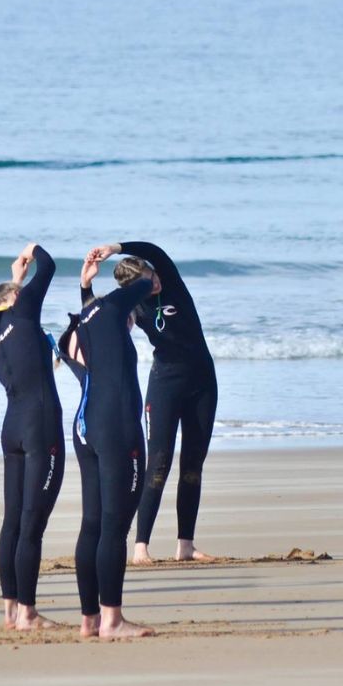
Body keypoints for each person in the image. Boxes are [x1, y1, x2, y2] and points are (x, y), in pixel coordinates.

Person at [85, 241, 218, 564]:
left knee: (193, 465)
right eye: (146, 282)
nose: (154, 282)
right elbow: (98, 317)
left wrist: (116, 247)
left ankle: (185, 545)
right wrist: (86, 286)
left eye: (152, 275)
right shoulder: (134, 306)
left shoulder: (170, 281)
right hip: (164, 385)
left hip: (202, 381)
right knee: (158, 464)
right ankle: (140, 546)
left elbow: (154, 252)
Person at [66, 252, 156, 638]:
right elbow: (148, 282)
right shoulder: (116, 307)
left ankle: (89, 619)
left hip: (85, 427)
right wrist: (141, 271)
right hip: (116, 428)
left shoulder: (87, 318)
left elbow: (93, 305)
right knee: (114, 526)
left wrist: (86, 284)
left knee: (92, 523)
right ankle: (112, 621)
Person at [0, 244, 64, 630]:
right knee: (32, 524)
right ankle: (28, 613)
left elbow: (4, 317)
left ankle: (10, 611)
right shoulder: (24, 311)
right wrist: (31, 250)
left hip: (11, 429)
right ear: (14, 299)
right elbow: (49, 266)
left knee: (12, 522)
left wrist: (15, 279)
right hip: (40, 427)